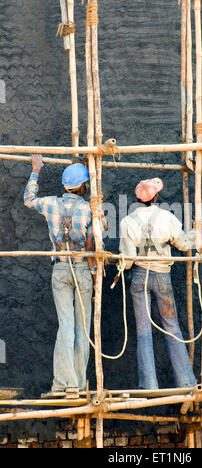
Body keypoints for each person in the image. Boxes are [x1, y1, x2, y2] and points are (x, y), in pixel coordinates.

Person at [24, 155, 96, 399]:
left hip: (61, 269)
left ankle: (64, 384)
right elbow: (91, 248)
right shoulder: (89, 208)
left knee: (65, 326)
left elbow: (28, 200)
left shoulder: (51, 204)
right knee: (82, 328)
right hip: (82, 269)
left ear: (66, 185)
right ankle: (78, 383)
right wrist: (95, 276)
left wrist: (36, 170)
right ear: (84, 186)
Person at [119, 177, 197, 390]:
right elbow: (183, 244)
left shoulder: (127, 221)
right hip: (163, 277)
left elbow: (127, 262)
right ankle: (187, 382)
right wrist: (196, 234)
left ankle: (149, 385)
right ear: (156, 197)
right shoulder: (167, 217)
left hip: (139, 278)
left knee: (143, 331)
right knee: (172, 327)